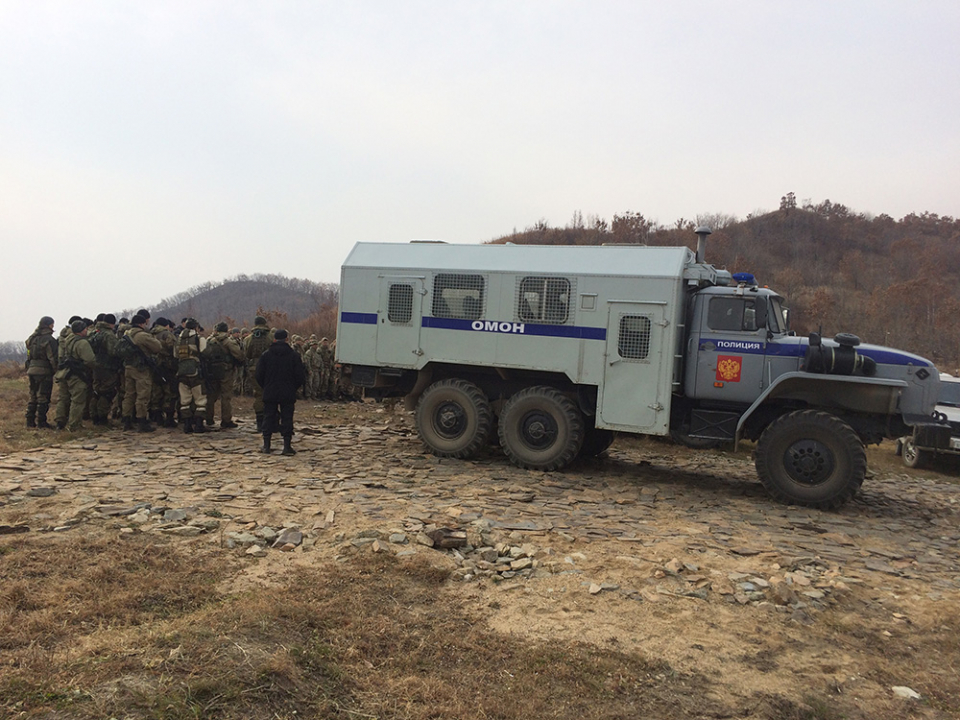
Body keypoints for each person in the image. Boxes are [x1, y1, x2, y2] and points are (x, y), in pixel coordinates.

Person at [254, 329, 305, 456]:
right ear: (287, 339)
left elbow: (258, 374)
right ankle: (287, 446)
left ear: (274, 339)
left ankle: (266, 445)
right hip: (287, 391)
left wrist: (265, 386)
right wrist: (293, 388)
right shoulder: (294, 355)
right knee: (287, 418)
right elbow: (300, 376)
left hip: (270, 390)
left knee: (268, 416)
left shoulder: (266, 355)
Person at [121, 314, 163, 432]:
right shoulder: (142, 335)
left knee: (129, 394)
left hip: (128, 367)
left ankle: (126, 420)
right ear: (141, 324)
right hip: (141, 369)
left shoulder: (126, 334)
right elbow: (157, 347)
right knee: (143, 395)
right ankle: (142, 421)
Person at [54, 319, 96, 431]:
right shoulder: (82, 343)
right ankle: (74, 425)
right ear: (82, 330)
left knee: (63, 398)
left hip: (64, 372)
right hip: (77, 374)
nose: (87, 331)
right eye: (85, 329)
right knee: (78, 400)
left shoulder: (67, 340)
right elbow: (90, 360)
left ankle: (60, 421)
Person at [203, 322, 244, 428]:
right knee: (226, 397)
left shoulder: (209, 340)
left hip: (212, 372)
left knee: (211, 396)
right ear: (226, 330)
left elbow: (204, 354)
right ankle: (226, 420)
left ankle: (208, 418)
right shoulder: (228, 341)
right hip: (226, 372)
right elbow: (239, 355)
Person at [25, 316, 58, 429]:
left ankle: (29, 421)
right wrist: (56, 371)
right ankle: (41, 422)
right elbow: (53, 358)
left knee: (33, 396)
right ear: (50, 325)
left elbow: (29, 355)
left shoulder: (32, 338)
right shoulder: (49, 340)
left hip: (32, 369)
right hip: (44, 371)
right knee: (43, 396)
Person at [87, 314, 120, 426]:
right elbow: (113, 352)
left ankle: (94, 415)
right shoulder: (109, 335)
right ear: (112, 323)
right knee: (106, 392)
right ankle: (102, 417)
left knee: (96, 391)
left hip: (96, 366)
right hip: (108, 367)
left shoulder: (94, 333)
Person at [175, 318, 207, 433]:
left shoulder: (178, 340)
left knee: (184, 400)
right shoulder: (199, 338)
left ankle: (187, 426)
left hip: (181, 372)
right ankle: (199, 426)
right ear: (196, 327)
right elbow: (205, 352)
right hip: (195, 372)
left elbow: (175, 354)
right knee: (200, 400)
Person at [244, 316, 273, 430]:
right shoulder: (271, 336)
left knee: (258, 394)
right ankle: (270, 420)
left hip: (254, 368)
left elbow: (247, 354)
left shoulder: (248, 338)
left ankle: (259, 423)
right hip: (269, 368)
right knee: (270, 393)